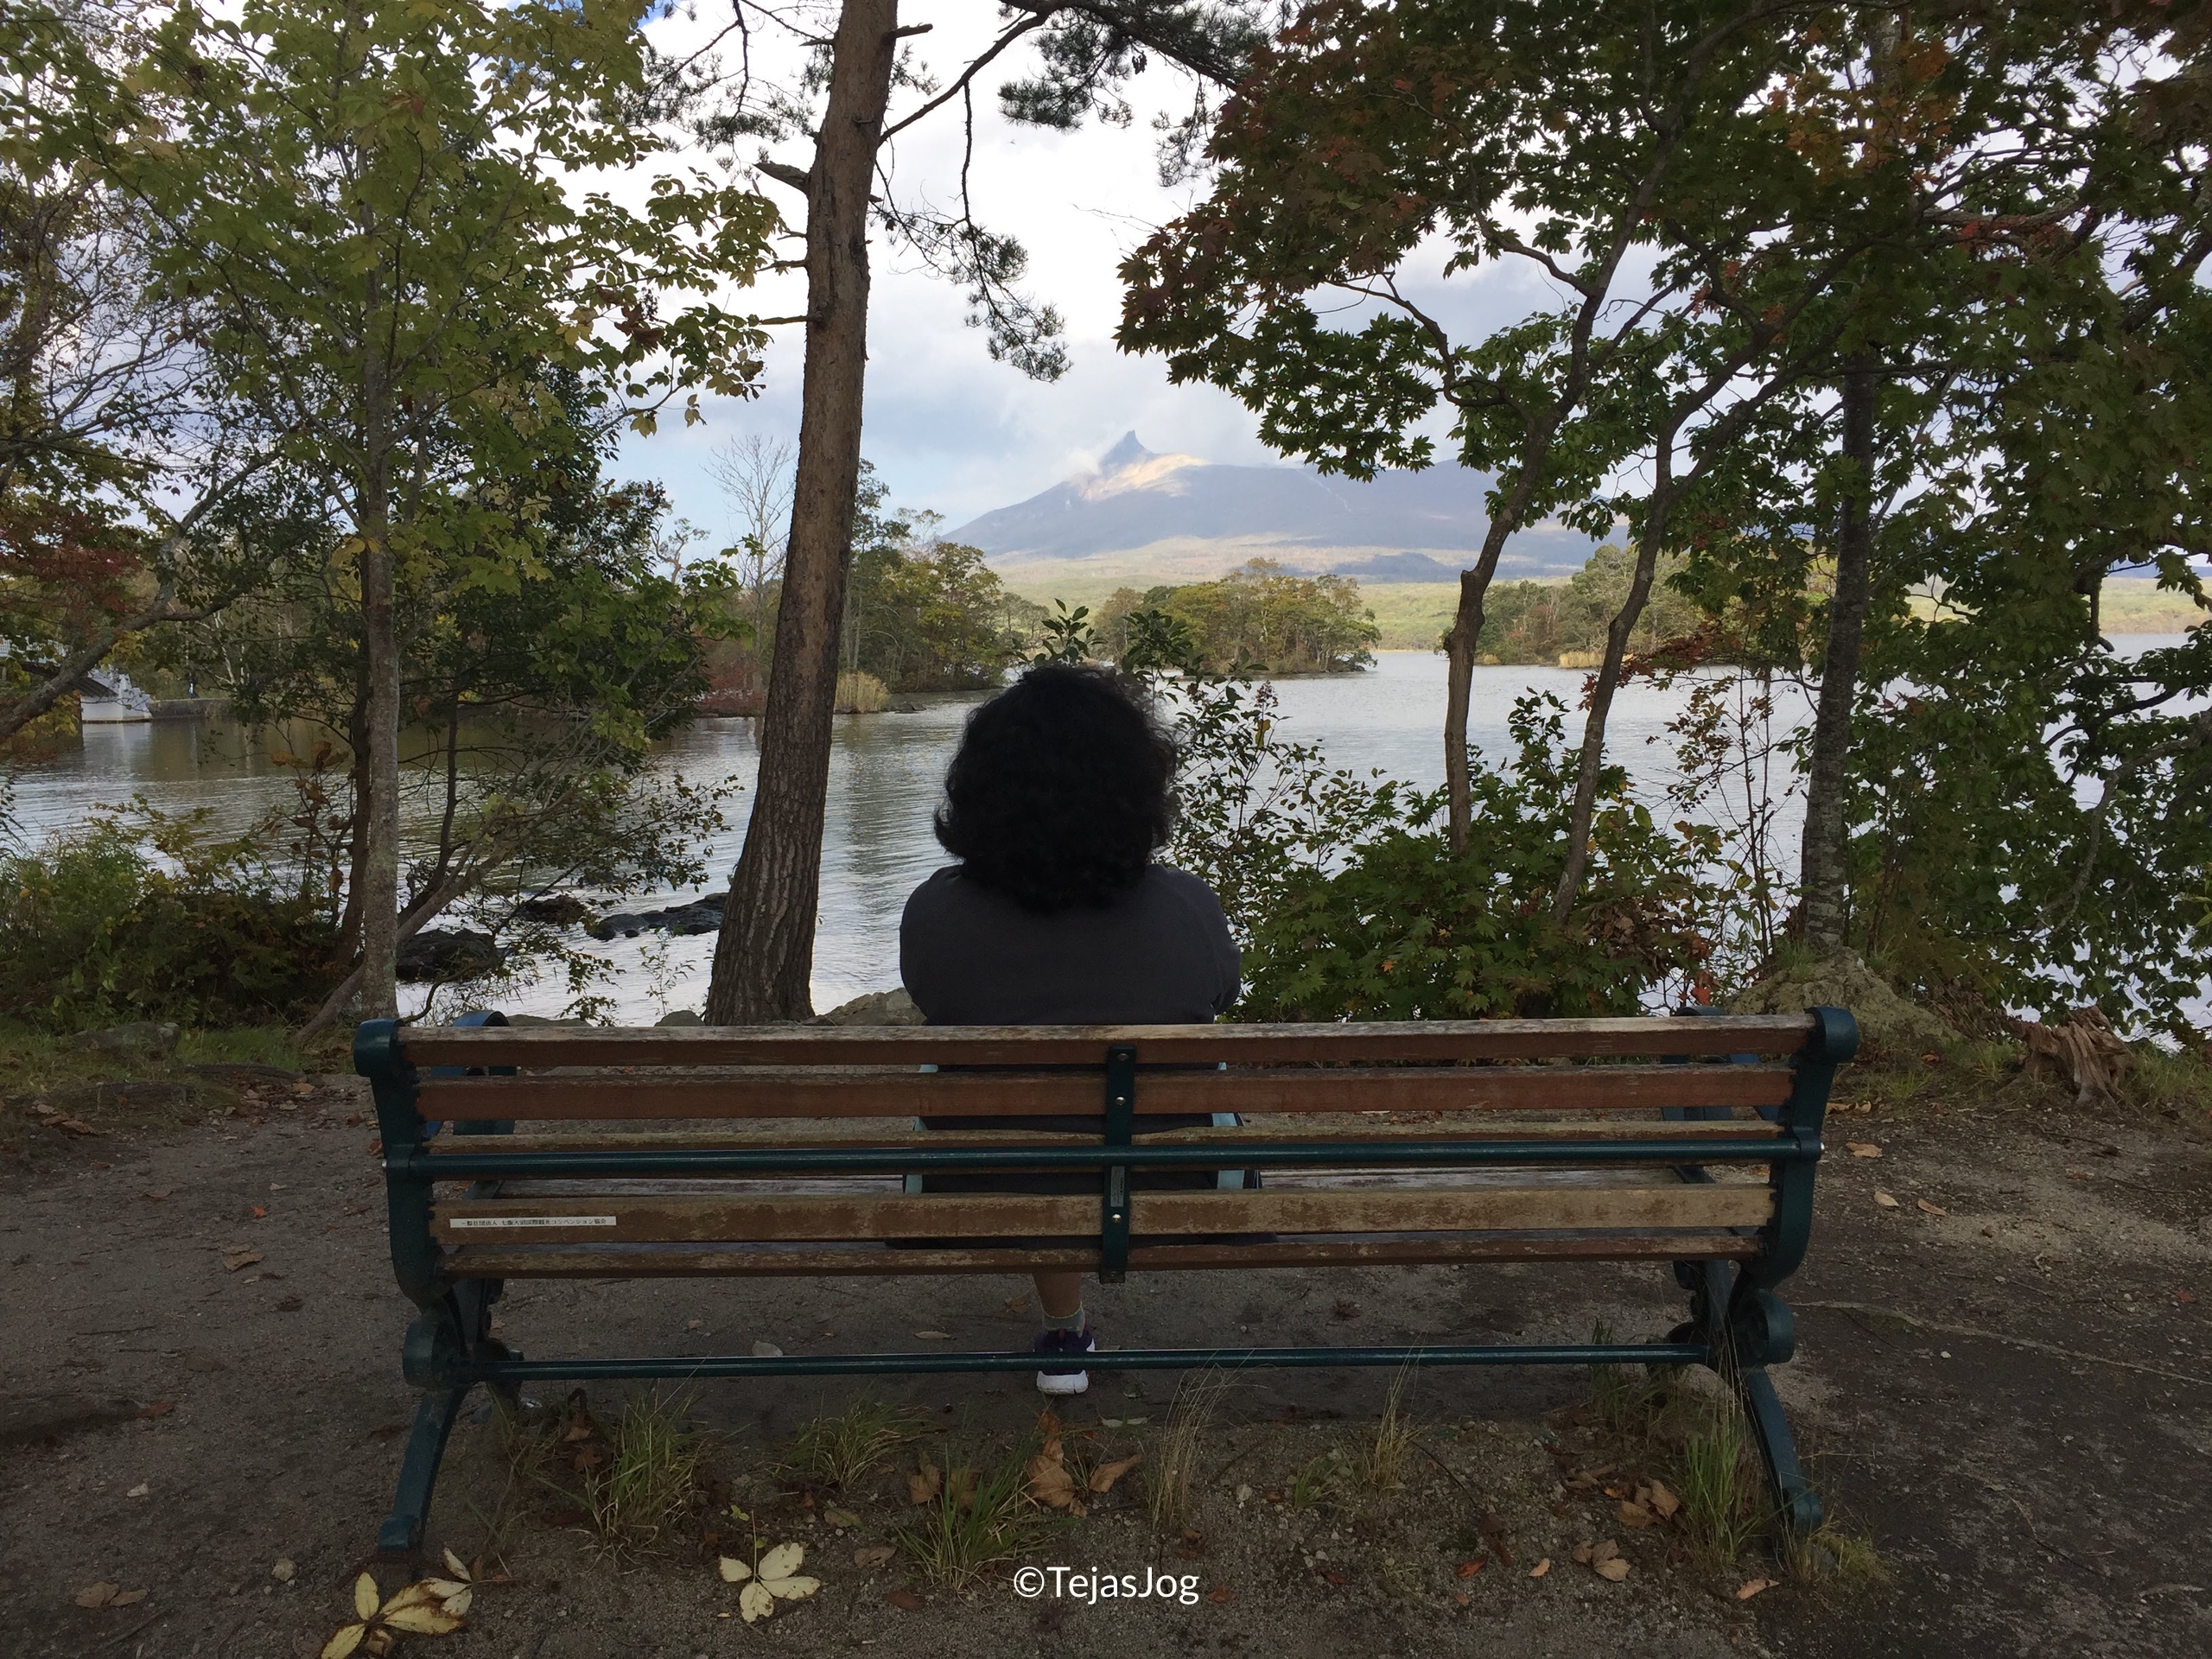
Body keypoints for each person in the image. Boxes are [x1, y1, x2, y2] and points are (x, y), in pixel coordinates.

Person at [899, 662, 1241, 1395]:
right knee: (1095, 1134)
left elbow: (932, 997)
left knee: (1038, 1137)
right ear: (1136, 786)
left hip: (982, 1180)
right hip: (1175, 1175)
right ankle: (1065, 1328)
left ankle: (1064, 1330)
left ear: (981, 788)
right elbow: (1220, 994)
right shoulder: (1188, 908)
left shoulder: (936, 913)